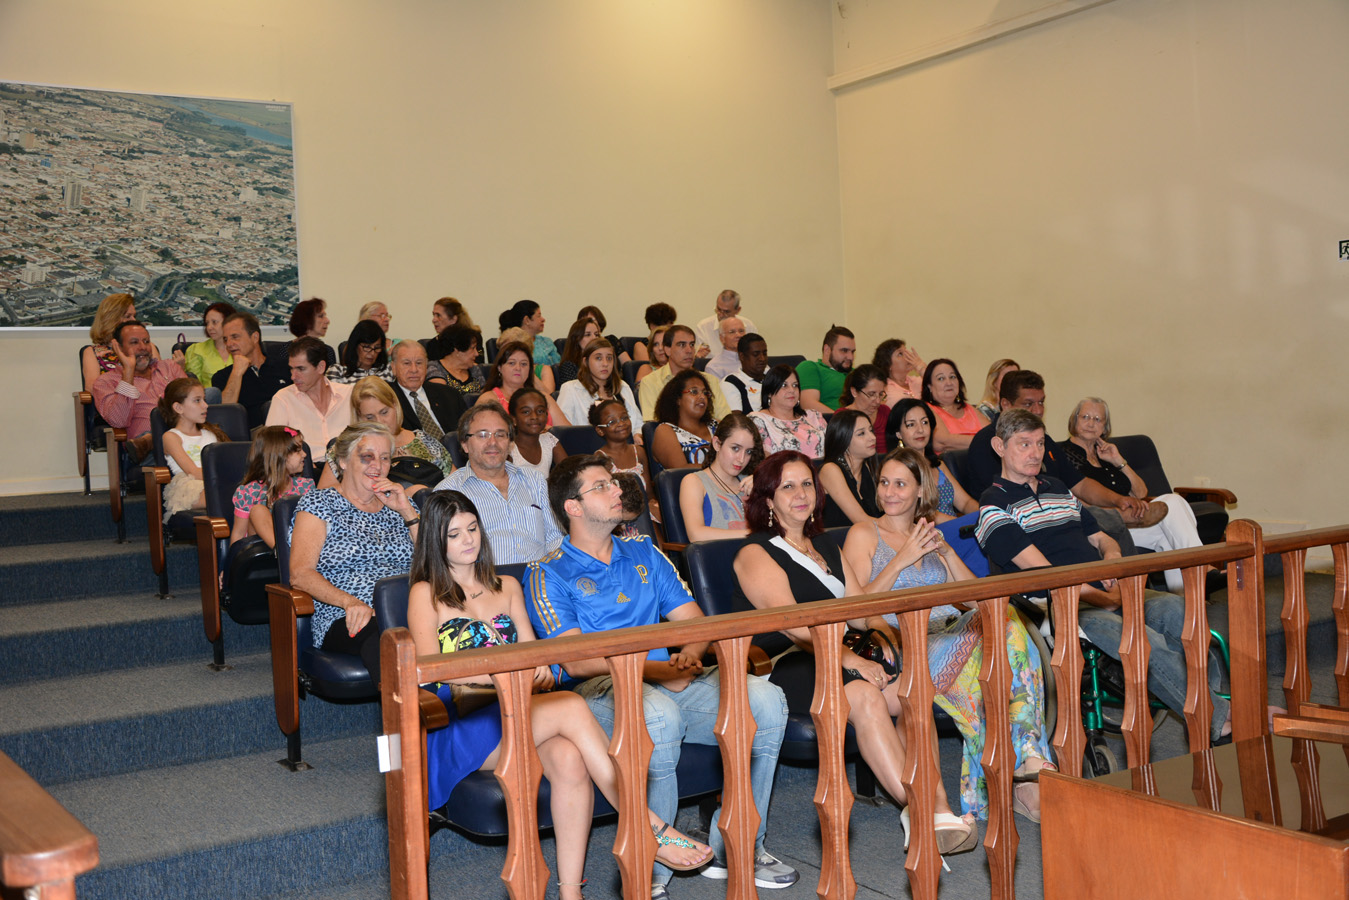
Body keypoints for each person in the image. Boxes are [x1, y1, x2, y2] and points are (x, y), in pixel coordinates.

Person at [408, 491, 711, 900]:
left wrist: (535, 673)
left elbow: (540, 663)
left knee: (569, 759)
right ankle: (646, 826)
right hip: (466, 725)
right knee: (571, 704)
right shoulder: (425, 594)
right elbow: (430, 677)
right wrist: (502, 676)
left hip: (522, 711)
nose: (468, 540)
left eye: (473, 528)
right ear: (435, 540)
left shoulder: (507, 586)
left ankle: (571, 892)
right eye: (454, 534)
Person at [527, 455, 795, 896]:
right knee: (658, 716)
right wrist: (659, 670)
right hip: (598, 692)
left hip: (668, 679)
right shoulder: (548, 571)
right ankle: (650, 873)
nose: (617, 490)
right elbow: (576, 662)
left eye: (614, 483)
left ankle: (739, 845)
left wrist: (686, 658)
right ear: (573, 507)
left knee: (765, 701)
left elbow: (693, 622)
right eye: (601, 486)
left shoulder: (644, 552)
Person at [732, 450, 977, 855]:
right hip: (792, 663)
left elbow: (861, 608)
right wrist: (851, 660)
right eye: (787, 486)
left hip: (844, 651)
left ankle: (939, 807)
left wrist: (882, 637)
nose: (800, 494)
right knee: (864, 695)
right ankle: (921, 811)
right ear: (768, 499)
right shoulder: (755, 552)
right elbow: (795, 628)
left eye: (807, 484)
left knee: (912, 691)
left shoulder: (825, 544)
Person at [974, 409, 1233, 744]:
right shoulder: (992, 506)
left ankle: (1214, 705)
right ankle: (1216, 719)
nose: (1035, 452)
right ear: (1000, 447)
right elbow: (1047, 575)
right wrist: (1104, 597)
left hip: (1104, 586)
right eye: (1024, 444)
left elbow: (1101, 538)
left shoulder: (1057, 488)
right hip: (1062, 604)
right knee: (1143, 641)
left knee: (1183, 615)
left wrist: (1112, 561)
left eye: (1039, 443)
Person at [843, 448, 1055, 821]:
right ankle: (1024, 766)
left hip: (951, 633)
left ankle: (1023, 767)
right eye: (885, 483)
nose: (890, 492)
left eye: (900, 484)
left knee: (1004, 622)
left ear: (921, 491)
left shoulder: (930, 534)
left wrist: (947, 553)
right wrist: (902, 558)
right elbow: (857, 608)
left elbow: (976, 600)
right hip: (907, 641)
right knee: (996, 663)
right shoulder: (864, 533)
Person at [964, 369, 1157, 553]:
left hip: (1057, 512)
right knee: (1107, 525)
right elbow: (999, 499)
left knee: (1108, 535)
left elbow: (1081, 484)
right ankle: (1116, 517)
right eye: (1028, 404)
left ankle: (1115, 520)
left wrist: (1119, 499)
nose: (1037, 410)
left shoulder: (1045, 440)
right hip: (1026, 519)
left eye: (1041, 402)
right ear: (1006, 404)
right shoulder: (987, 442)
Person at [289, 422, 420, 684]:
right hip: (348, 614)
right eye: (367, 456)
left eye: (385, 458)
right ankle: (412, 706)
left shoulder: (400, 502)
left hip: (407, 607)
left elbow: (436, 562)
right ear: (343, 461)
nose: (378, 466)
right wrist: (350, 602)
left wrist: (407, 512)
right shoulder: (319, 503)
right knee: (389, 640)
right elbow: (300, 574)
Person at [1063, 397, 1205, 593]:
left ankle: (1187, 601)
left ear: (1105, 427)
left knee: (1169, 533)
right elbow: (1075, 502)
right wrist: (1119, 512)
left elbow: (1141, 492)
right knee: (1172, 503)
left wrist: (1118, 460)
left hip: (1134, 525)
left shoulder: (1105, 454)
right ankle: (1202, 573)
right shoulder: (1063, 455)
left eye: (1097, 419)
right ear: (1075, 419)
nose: (1090, 423)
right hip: (1103, 530)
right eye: (1085, 417)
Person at [432, 404, 564, 565]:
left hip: (540, 575)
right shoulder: (448, 492)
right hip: (485, 578)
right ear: (465, 444)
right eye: (482, 435)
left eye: (500, 434)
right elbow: (442, 559)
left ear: (510, 443)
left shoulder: (535, 480)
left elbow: (555, 538)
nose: (493, 442)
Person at [888, 398, 988, 576]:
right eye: (911, 425)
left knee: (992, 523)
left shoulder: (938, 464)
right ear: (898, 433)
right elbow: (919, 512)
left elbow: (965, 502)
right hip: (929, 534)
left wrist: (986, 515)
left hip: (958, 528)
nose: (920, 429)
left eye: (924, 422)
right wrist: (968, 523)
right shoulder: (898, 468)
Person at [91, 320, 189, 460]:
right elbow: (119, 421)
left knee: (210, 395)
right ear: (119, 348)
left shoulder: (169, 367)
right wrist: (128, 371)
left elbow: (195, 404)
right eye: (134, 342)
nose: (143, 347)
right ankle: (155, 439)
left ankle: (153, 439)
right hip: (154, 453)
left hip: (189, 439)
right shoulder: (106, 382)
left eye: (146, 341)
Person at [340, 375, 453, 478]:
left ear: (395, 406)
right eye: (370, 417)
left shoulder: (426, 443)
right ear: (359, 417)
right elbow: (331, 490)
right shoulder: (348, 448)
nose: (379, 422)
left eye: (384, 412)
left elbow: (456, 484)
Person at [266, 338, 354, 464]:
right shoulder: (283, 398)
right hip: (306, 469)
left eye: (301, 369)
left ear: (320, 367)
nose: (293, 376)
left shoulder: (349, 395)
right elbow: (272, 450)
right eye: (291, 369)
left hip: (348, 467)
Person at [677, 411, 762, 542]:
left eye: (748, 451)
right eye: (735, 448)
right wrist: (752, 534)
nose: (741, 459)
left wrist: (763, 487)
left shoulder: (750, 482)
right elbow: (696, 534)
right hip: (720, 553)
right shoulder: (694, 482)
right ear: (717, 444)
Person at [157, 378, 229, 521]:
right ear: (178, 408)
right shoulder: (171, 437)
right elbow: (193, 472)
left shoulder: (211, 434)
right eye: (197, 400)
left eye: (204, 400)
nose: (205, 405)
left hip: (214, 482)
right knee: (226, 495)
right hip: (188, 486)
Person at [230, 425, 313, 546]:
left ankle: (287, 552)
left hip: (298, 544)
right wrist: (234, 556)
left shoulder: (306, 487)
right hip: (260, 550)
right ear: (280, 456)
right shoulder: (249, 492)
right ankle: (284, 551)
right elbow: (238, 534)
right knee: (258, 511)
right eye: (298, 450)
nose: (304, 454)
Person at [211, 311, 293, 429]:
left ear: (255, 337)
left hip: (290, 428)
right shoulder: (222, 376)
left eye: (235, 337)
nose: (229, 344)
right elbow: (225, 415)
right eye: (225, 339)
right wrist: (237, 373)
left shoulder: (286, 366)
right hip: (254, 435)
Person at [638, 325, 732, 422]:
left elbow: (726, 421)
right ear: (667, 350)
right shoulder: (650, 382)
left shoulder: (710, 380)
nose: (689, 350)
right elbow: (654, 424)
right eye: (682, 345)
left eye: (692, 344)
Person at [475, 340, 570, 426]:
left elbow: (566, 432)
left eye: (524, 364)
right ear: (500, 368)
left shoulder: (544, 398)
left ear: (530, 369)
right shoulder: (488, 399)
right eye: (512, 363)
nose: (518, 368)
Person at [557, 338, 642, 433]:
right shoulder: (570, 389)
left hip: (625, 441)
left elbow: (638, 424)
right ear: (585, 362)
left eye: (609, 358)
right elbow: (563, 430)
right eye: (598, 358)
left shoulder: (622, 386)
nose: (605, 364)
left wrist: (637, 435)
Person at [390, 340, 466, 444]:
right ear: (393, 367)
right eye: (407, 363)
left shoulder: (449, 394)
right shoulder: (387, 400)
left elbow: (467, 431)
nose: (414, 369)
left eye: (419, 363)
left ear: (426, 366)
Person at [82, 292, 157, 391]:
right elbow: (92, 388)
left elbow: (159, 379)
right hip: (113, 398)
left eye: (134, 316)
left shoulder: (147, 347)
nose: (133, 320)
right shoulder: (92, 352)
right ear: (111, 320)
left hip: (150, 398)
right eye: (128, 316)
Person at [750, 364, 828, 459]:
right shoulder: (759, 420)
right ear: (769, 392)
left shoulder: (814, 416)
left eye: (795, 385)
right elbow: (763, 462)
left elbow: (834, 449)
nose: (792, 390)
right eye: (784, 385)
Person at [817, 409, 879, 527]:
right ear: (843, 440)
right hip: (838, 537)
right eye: (861, 433)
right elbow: (860, 520)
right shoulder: (830, 470)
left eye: (871, 430)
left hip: (866, 535)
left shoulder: (867, 468)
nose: (872, 437)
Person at [649, 369, 717, 471]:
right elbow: (680, 471)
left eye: (705, 393)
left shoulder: (716, 425)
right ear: (677, 399)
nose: (702, 396)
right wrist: (722, 467)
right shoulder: (665, 431)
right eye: (694, 392)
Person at [588, 398, 651, 507]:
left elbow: (649, 492)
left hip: (644, 508)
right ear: (600, 430)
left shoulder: (639, 452)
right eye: (612, 422)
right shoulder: (600, 458)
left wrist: (653, 504)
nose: (621, 423)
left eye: (624, 418)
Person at [921, 358, 990, 454]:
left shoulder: (969, 409)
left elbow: (992, 436)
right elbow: (942, 442)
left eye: (952, 377)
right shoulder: (926, 409)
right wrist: (983, 441)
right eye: (941, 378)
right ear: (930, 387)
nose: (949, 383)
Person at [795, 324, 855, 413]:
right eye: (844, 350)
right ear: (827, 350)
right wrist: (841, 419)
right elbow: (808, 405)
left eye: (852, 352)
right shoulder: (810, 367)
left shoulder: (856, 373)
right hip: (832, 420)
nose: (850, 357)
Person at [507, 387, 565, 476]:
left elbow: (570, 473)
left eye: (540, 411)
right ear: (513, 419)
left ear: (547, 415)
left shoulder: (549, 440)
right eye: (526, 412)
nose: (534, 416)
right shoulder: (509, 449)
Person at [183, 301, 237, 394]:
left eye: (214, 322)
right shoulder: (196, 350)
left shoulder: (242, 348)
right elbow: (194, 387)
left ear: (229, 322)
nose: (209, 327)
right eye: (207, 323)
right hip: (208, 400)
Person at [836, 363, 889, 453]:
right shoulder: (842, 417)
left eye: (881, 394)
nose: (878, 401)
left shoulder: (885, 412)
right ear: (854, 392)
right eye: (871, 394)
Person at [693, 289, 757, 356]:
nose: (721, 315)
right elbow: (699, 357)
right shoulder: (703, 327)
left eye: (726, 312)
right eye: (719, 309)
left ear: (738, 310)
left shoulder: (749, 326)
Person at [426, 325, 486, 395]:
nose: (476, 354)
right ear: (457, 350)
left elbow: (485, 396)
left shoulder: (474, 369)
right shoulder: (434, 368)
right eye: (473, 348)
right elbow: (442, 397)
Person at [328, 319, 393, 384]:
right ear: (355, 345)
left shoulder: (387, 370)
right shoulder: (338, 371)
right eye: (367, 347)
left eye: (377, 348)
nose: (372, 353)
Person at [498, 299, 558, 367]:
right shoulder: (511, 343)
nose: (543, 319)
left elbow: (558, 366)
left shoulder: (547, 342)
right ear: (527, 320)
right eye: (539, 316)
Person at [720, 332, 769, 415]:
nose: (762, 358)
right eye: (755, 354)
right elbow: (736, 418)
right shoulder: (731, 382)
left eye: (764, 353)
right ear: (742, 356)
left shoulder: (773, 378)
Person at [871, 337, 925, 407]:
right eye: (900, 354)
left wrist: (922, 368)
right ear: (888, 365)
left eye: (906, 351)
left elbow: (937, 390)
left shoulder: (916, 380)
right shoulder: (886, 391)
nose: (908, 356)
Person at [287, 298, 337, 368]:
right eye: (321, 316)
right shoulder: (284, 351)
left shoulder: (328, 351)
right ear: (306, 320)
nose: (327, 321)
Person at [554, 316, 602, 386]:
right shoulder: (568, 366)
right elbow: (573, 390)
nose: (594, 338)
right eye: (588, 335)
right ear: (576, 339)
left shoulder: (604, 361)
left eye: (596, 334)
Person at [703, 316, 746, 380]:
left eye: (741, 331)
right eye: (732, 332)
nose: (738, 335)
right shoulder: (714, 367)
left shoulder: (754, 359)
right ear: (722, 338)